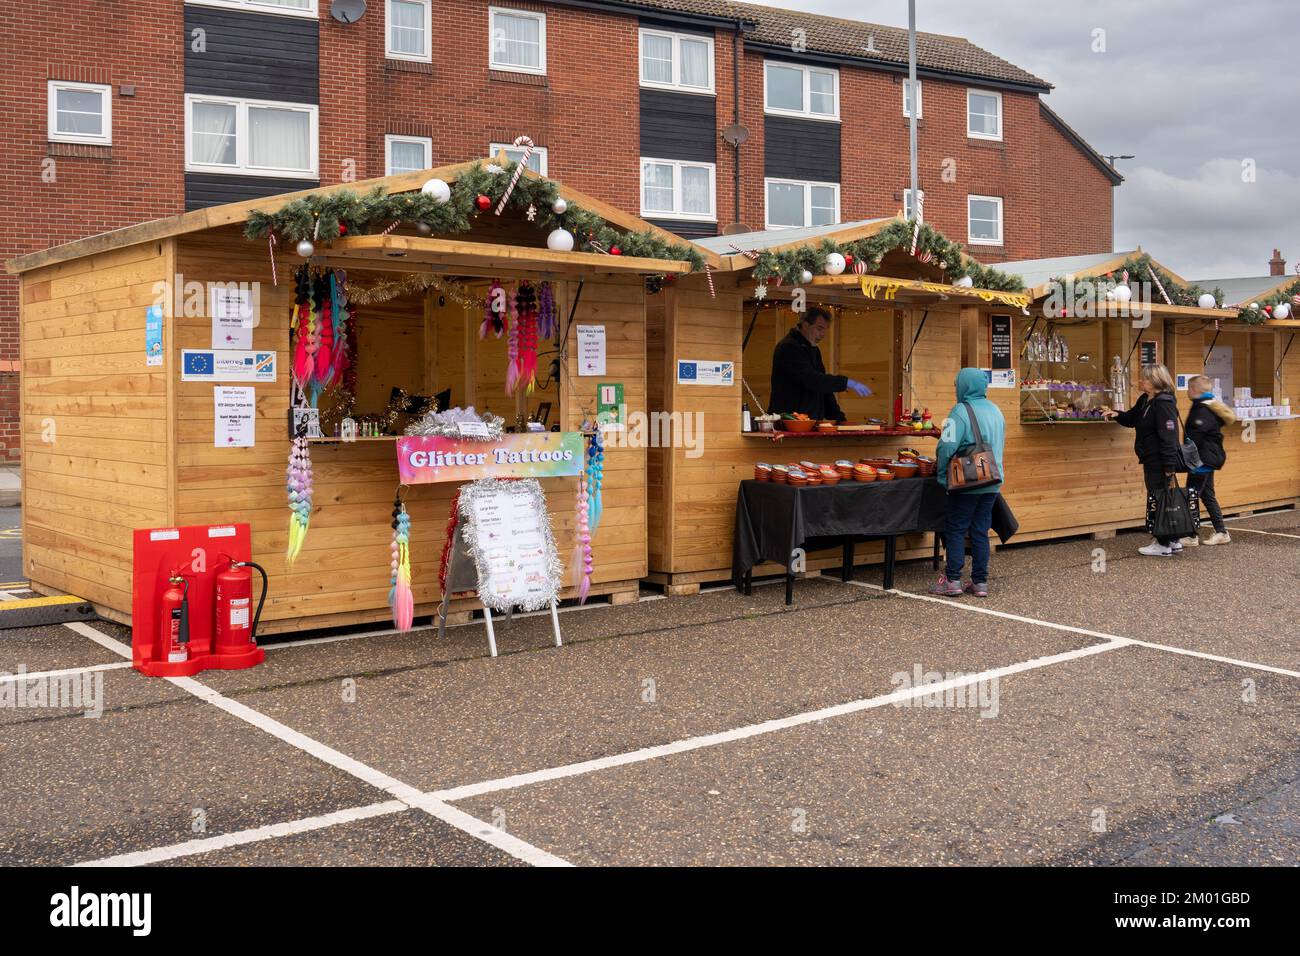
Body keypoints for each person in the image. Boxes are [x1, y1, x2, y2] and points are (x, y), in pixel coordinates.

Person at [932, 368, 1006, 597]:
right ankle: (979, 583)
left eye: (957, 384)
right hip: (992, 480)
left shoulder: (959, 412)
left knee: (955, 529)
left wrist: (943, 475)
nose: (956, 388)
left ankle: (953, 580)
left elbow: (946, 447)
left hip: (966, 481)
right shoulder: (996, 410)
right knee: (980, 531)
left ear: (964, 386)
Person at [1102, 363, 1182, 556]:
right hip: (1150, 457)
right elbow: (1132, 418)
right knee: (1165, 498)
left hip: (1159, 460)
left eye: (1144, 378)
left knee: (1158, 498)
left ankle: (1162, 544)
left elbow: (1169, 436)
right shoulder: (1146, 400)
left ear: (1155, 381)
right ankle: (1172, 540)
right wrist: (1116, 414)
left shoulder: (1164, 403)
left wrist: (1169, 466)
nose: (1141, 381)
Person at [769, 307, 872, 421]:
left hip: (809, 423)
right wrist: (846, 382)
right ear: (805, 325)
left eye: (825, 330)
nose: (823, 334)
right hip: (789, 423)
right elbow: (811, 380)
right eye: (819, 328)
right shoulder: (789, 347)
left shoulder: (813, 349)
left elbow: (823, 389)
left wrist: (839, 419)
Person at [1179, 374, 1235, 546]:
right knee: (1207, 495)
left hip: (1201, 461)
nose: (1187, 391)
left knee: (1191, 495)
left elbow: (1195, 437)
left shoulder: (1201, 410)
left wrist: (1184, 456)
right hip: (1207, 459)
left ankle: (1191, 535)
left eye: (1189, 388)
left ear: (1195, 390)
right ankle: (1221, 532)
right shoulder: (1211, 406)